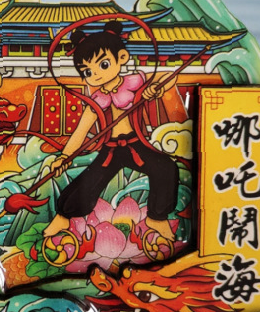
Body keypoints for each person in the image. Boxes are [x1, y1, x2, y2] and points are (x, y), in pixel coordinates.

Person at [43, 22, 187, 241]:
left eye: (103, 64)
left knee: (166, 167)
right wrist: (64, 157)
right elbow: (80, 132)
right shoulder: (97, 99)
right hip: (111, 149)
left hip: (135, 144)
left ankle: (157, 218)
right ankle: (62, 216)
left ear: (122, 57)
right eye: (87, 71)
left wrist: (153, 89)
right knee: (89, 181)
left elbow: (169, 76)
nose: (96, 75)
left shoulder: (135, 81)